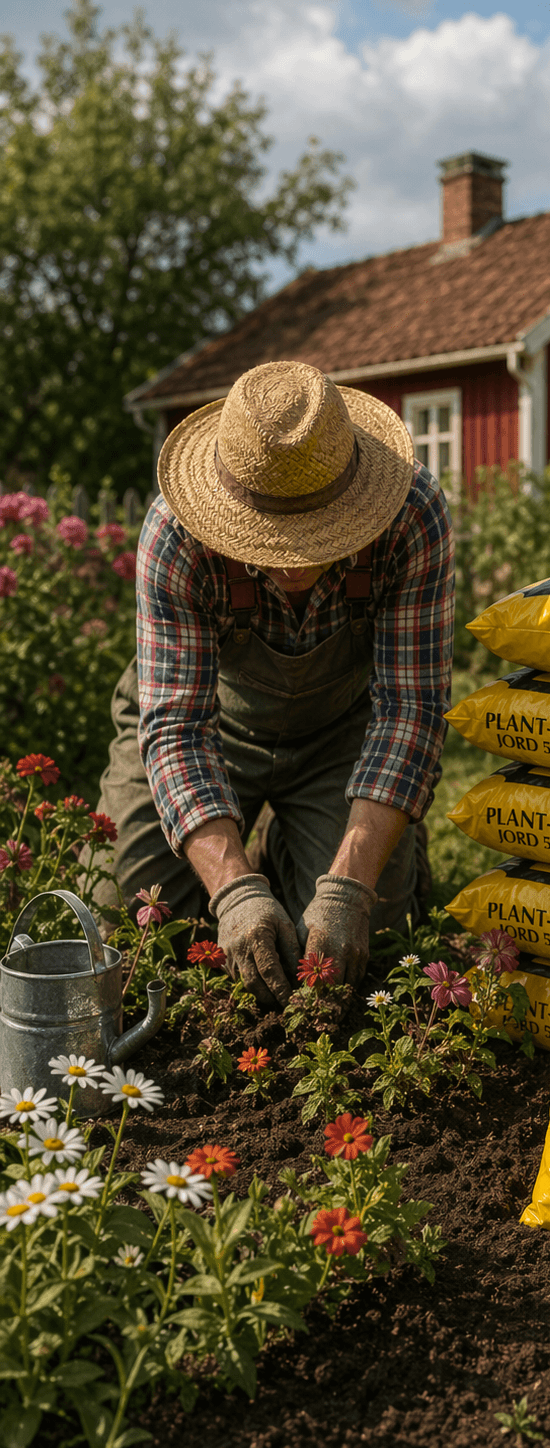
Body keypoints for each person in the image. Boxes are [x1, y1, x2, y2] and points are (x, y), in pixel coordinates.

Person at [91, 360, 453, 1009]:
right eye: (273, 543)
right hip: (210, 727)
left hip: (339, 735)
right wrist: (232, 889)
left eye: (316, 539)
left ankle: (294, 847)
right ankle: (252, 865)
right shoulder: (175, 534)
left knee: (382, 931)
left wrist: (348, 885)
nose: (294, 566)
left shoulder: (411, 514)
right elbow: (177, 729)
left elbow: (410, 711)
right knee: (129, 913)